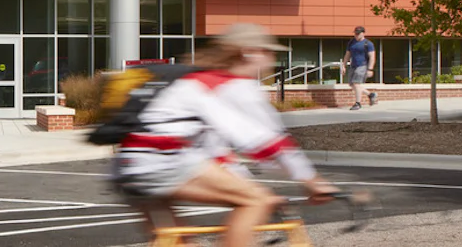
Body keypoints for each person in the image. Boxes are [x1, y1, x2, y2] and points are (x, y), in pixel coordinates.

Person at [110, 24, 338, 247]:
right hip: (163, 160)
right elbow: (265, 142)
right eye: (267, 52)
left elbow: (215, 152)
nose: (271, 60)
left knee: (180, 242)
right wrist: (312, 181)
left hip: (129, 165)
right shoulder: (231, 86)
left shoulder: (198, 79)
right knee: (256, 200)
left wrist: (245, 183)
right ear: (247, 53)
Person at [344, 27, 376, 110]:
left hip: (362, 65)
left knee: (356, 83)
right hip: (353, 65)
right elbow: (347, 54)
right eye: (355, 33)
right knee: (352, 84)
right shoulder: (351, 42)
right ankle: (370, 95)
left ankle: (358, 103)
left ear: (363, 33)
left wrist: (370, 69)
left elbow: (372, 57)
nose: (356, 35)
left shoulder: (368, 44)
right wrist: (343, 65)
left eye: (358, 33)